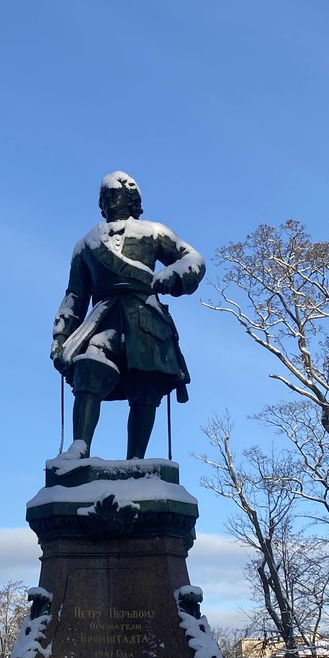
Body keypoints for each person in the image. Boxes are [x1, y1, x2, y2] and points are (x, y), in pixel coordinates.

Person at [51, 172, 205, 460]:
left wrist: (173, 276)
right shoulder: (86, 244)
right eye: (104, 193)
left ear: (131, 197)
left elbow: (193, 258)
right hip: (103, 318)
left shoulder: (153, 231)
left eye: (115, 192)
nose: (109, 197)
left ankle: (136, 460)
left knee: (145, 387)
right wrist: (61, 337)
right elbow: (74, 296)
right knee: (88, 367)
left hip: (145, 318)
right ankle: (79, 447)